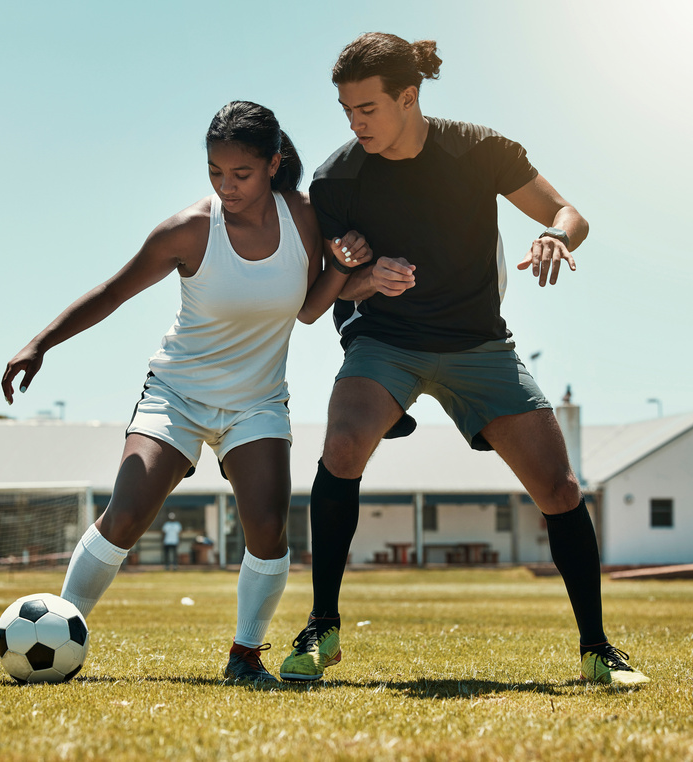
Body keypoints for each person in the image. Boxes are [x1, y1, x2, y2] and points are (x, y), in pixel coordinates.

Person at [278, 33, 650, 687]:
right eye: (346, 110)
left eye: (367, 107)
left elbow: (569, 213)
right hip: (384, 341)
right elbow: (320, 298)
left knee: (559, 488)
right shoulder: (337, 179)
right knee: (342, 445)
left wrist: (553, 237)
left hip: (479, 344)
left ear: (409, 97)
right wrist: (367, 278)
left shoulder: (480, 150)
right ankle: (321, 626)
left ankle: (597, 648)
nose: (354, 121)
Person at [1, 101, 372, 684]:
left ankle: (245, 656)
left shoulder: (304, 218)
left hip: (257, 402)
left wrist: (347, 268)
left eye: (241, 174)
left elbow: (306, 311)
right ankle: (60, 628)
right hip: (175, 394)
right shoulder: (190, 230)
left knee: (269, 528)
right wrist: (40, 343)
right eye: (214, 173)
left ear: (274, 164)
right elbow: (113, 291)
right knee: (125, 514)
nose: (226, 187)